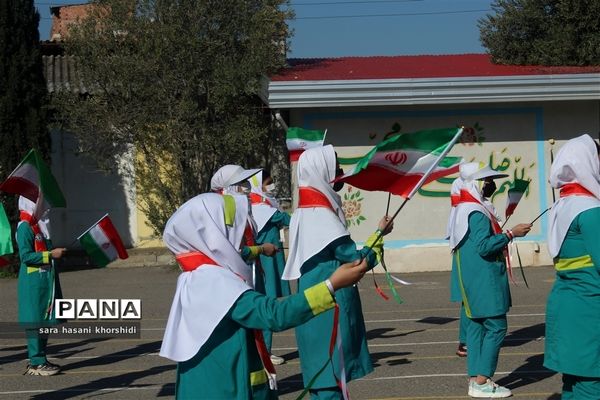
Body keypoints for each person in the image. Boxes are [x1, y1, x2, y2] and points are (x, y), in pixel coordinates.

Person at [159, 193, 368, 399]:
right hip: (227, 389)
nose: (245, 239)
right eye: (238, 232)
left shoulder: (194, 277)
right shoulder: (215, 281)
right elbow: (274, 315)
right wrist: (331, 285)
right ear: (214, 235)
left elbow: (254, 308)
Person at [282, 145, 393, 399]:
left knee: (320, 376)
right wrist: (379, 235)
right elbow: (356, 261)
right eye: (335, 167)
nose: (340, 173)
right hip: (330, 305)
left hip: (310, 300)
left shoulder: (303, 212)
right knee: (332, 373)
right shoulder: (322, 215)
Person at [448, 163, 532, 398]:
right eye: (486, 181)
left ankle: (476, 381)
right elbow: (484, 247)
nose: (491, 185)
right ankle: (483, 379)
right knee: (496, 327)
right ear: (475, 184)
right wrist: (510, 234)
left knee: (475, 327)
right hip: (484, 279)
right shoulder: (475, 213)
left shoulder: (467, 209)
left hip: (474, 278)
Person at [545, 134, 600, 400]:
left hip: (566, 305)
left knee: (573, 383)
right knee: (592, 385)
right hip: (589, 310)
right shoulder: (590, 210)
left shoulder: (562, 205)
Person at [17, 196, 66, 376]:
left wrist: (54, 253)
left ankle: (41, 359)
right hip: (33, 282)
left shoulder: (39, 226)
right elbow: (26, 256)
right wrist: (50, 255)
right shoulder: (25, 227)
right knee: (34, 320)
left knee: (46, 319)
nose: (44, 206)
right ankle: (36, 362)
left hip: (46, 279)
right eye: (39, 202)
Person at [248, 170, 292, 365]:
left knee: (261, 303)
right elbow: (290, 221)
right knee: (267, 304)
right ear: (259, 185)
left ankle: (261, 350)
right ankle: (264, 351)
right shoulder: (265, 210)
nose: (272, 186)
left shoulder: (254, 206)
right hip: (268, 265)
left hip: (261, 263)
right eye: (268, 183)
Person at [447, 169, 468, 358]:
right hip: (470, 261)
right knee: (469, 298)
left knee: (469, 299)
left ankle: (468, 339)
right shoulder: (468, 212)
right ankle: (466, 340)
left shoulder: (463, 210)